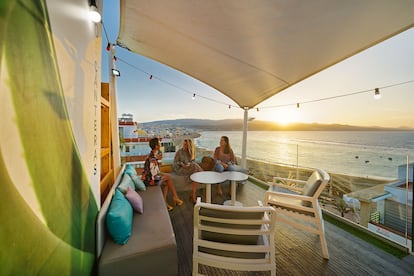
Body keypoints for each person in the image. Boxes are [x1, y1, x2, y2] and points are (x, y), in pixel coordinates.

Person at [143, 137, 183, 211]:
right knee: (168, 178)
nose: (160, 144)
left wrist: (162, 175)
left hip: (151, 177)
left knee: (168, 182)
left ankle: (165, 202)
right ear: (156, 146)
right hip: (150, 181)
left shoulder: (153, 155)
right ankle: (175, 198)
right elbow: (153, 175)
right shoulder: (152, 158)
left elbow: (156, 171)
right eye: (159, 143)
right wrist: (163, 175)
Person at [173, 139, 203, 204]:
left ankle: (193, 194)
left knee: (195, 173)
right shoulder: (179, 152)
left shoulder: (191, 152)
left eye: (186, 144)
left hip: (189, 168)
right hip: (180, 169)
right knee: (195, 167)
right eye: (184, 144)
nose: (184, 145)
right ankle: (202, 175)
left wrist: (189, 165)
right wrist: (181, 164)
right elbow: (175, 163)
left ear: (189, 146)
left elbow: (192, 161)